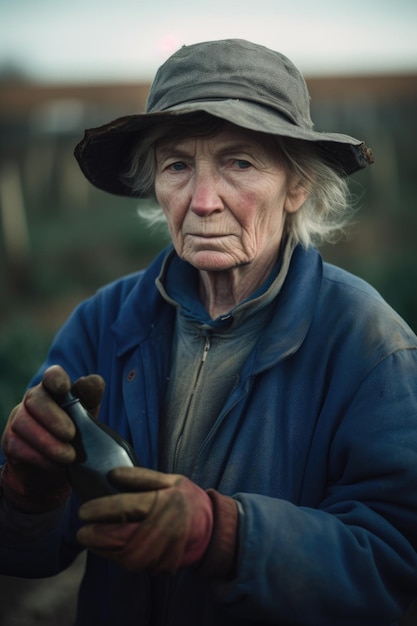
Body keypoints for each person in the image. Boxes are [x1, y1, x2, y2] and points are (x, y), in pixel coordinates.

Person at [0, 38, 417, 626]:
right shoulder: (102, 323)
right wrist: (29, 494)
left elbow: (393, 561)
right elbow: (28, 553)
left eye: (239, 162)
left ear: (297, 185)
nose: (201, 201)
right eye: (177, 165)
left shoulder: (369, 344)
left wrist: (226, 536)